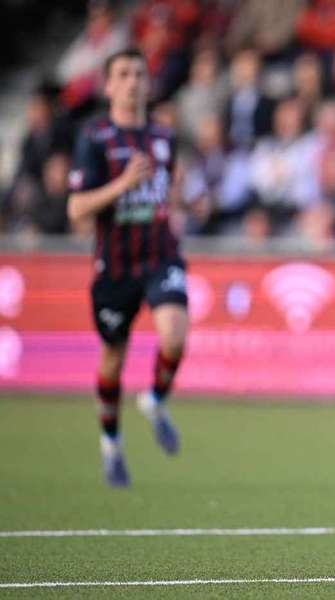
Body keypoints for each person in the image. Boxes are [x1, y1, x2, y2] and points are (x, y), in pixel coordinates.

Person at [67, 49, 188, 488]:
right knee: (113, 357)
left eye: (140, 72)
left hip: (160, 255)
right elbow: (76, 206)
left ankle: (155, 400)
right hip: (115, 266)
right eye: (124, 74)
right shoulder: (95, 137)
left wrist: (186, 203)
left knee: (175, 334)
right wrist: (121, 185)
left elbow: (167, 192)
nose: (134, 80)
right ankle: (111, 444)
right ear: (109, 86)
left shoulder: (164, 137)